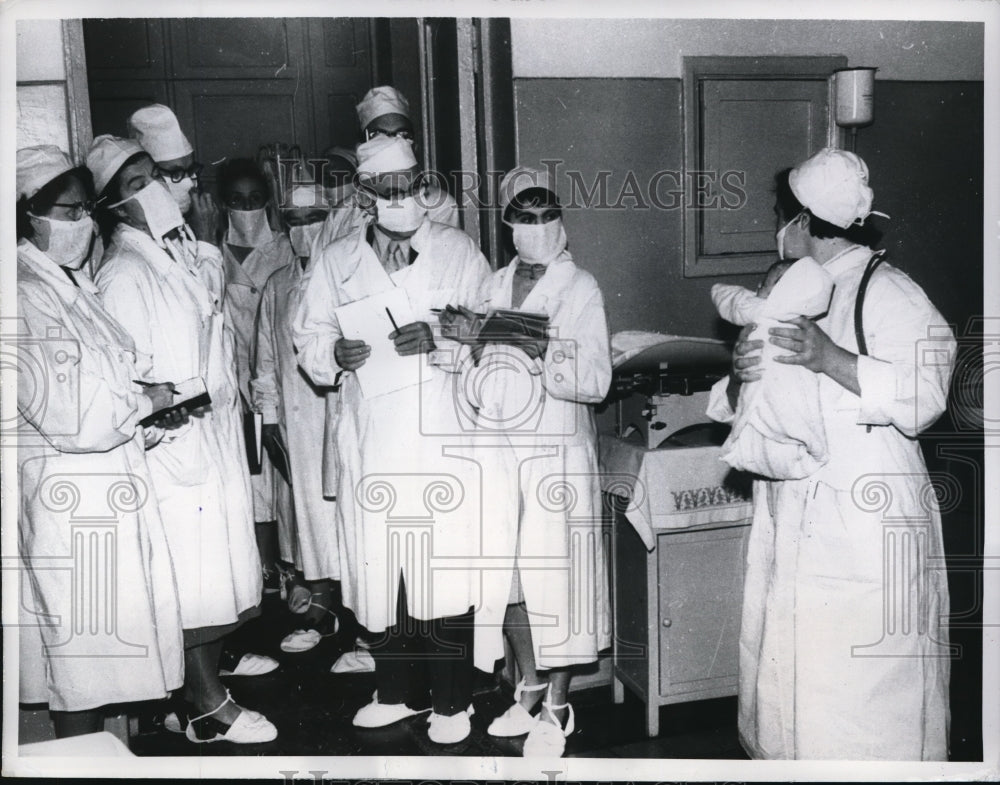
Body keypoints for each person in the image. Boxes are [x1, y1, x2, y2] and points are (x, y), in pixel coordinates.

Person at [707, 147, 955, 760]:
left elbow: (928, 394)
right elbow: (760, 401)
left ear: (805, 218)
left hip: (866, 511)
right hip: (795, 504)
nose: (779, 228)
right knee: (794, 685)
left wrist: (831, 358)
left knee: (867, 698)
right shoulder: (789, 286)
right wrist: (739, 377)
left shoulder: (889, 291)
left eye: (782, 214)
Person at [293, 135, 491, 745]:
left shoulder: (458, 251)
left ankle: (453, 704)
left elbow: (490, 329)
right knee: (384, 572)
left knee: (441, 568)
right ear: (365, 194)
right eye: (390, 191)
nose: (404, 200)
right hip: (372, 436)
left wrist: (444, 341)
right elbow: (309, 335)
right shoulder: (337, 259)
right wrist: (334, 353)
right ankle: (395, 692)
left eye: (412, 187)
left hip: (439, 434)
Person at [88, 135, 276, 744]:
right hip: (174, 445)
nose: (168, 189)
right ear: (115, 206)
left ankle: (200, 690)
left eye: (163, 176)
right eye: (139, 182)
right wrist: (158, 408)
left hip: (208, 435)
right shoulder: (123, 272)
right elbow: (125, 373)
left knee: (215, 573)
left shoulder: (171, 255)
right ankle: (204, 705)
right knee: (190, 580)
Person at [441, 166, 612, 757]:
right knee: (507, 574)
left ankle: (560, 706)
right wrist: (464, 342)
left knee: (558, 576)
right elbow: (469, 366)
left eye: (547, 214)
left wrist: (534, 341)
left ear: (560, 221)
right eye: (525, 215)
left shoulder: (580, 286)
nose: (537, 226)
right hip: (499, 449)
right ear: (508, 223)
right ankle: (530, 683)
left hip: (555, 453)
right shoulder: (492, 283)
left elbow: (595, 378)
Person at [15, 145, 185, 739]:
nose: (82, 223)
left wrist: (143, 400)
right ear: (25, 215)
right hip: (73, 496)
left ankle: (105, 758)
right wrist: (150, 402)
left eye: (86, 209)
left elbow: (109, 373)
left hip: (108, 483)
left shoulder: (68, 283)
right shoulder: (24, 297)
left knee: (106, 653)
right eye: (66, 212)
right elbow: (75, 421)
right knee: (83, 661)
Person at [251, 181, 348, 654]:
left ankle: (366, 625)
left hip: (338, 412)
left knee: (347, 516)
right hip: (296, 418)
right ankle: (321, 607)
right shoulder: (277, 284)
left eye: (314, 219)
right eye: (294, 220)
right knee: (308, 514)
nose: (304, 230)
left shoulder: (347, 274)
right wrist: (268, 419)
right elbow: (265, 361)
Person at [219, 158, 296, 594]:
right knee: (250, 485)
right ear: (222, 203)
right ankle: (261, 577)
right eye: (236, 201)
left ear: (267, 202)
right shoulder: (211, 252)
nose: (246, 209)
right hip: (232, 389)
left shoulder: (286, 247)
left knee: (282, 484)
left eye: (254, 200)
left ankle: (293, 573)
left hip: (278, 383)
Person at [710, 257, 834, 479]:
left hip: (820, 460)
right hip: (771, 415)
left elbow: (728, 296)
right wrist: (737, 377)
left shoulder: (777, 315)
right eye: (777, 283)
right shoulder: (768, 314)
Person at [311, 85, 460, 254]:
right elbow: (316, 272)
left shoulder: (440, 205)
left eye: (402, 135)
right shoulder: (342, 214)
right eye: (378, 135)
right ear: (362, 147)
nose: (392, 143)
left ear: (415, 147)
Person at [126, 104, 216, 249]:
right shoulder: (140, 240)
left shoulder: (186, 228)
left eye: (191, 170)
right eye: (176, 173)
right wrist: (207, 239)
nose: (189, 184)